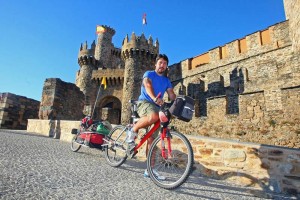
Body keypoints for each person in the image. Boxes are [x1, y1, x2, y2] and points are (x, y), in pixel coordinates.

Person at [126, 54, 176, 180]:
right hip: (145, 103)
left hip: (158, 106)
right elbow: (147, 85)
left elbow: (171, 94)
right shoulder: (149, 74)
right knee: (154, 116)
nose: (162, 65)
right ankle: (132, 130)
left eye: (165, 63)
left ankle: (149, 170)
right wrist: (154, 98)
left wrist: (178, 101)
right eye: (160, 62)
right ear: (156, 64)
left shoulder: (166, 81)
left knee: (152, 141)